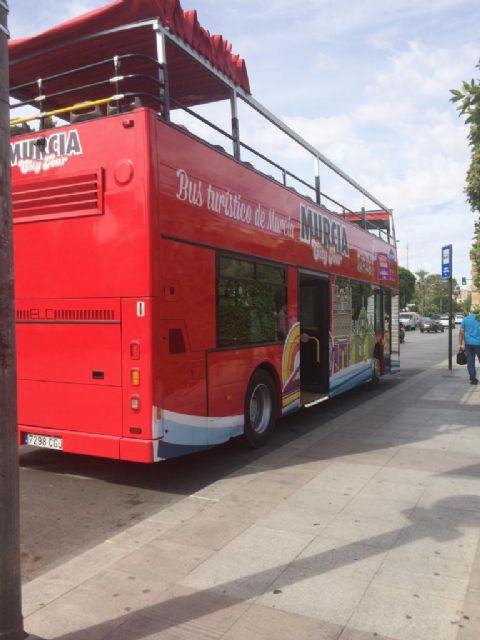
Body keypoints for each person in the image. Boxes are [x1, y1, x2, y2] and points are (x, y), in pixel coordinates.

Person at [458, 308, 480, 384]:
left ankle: (473, 380)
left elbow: (461, 332)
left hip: (468, 344)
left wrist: (460, 344)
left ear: (469, 312)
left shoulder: (465, 319)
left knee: (470, 363)